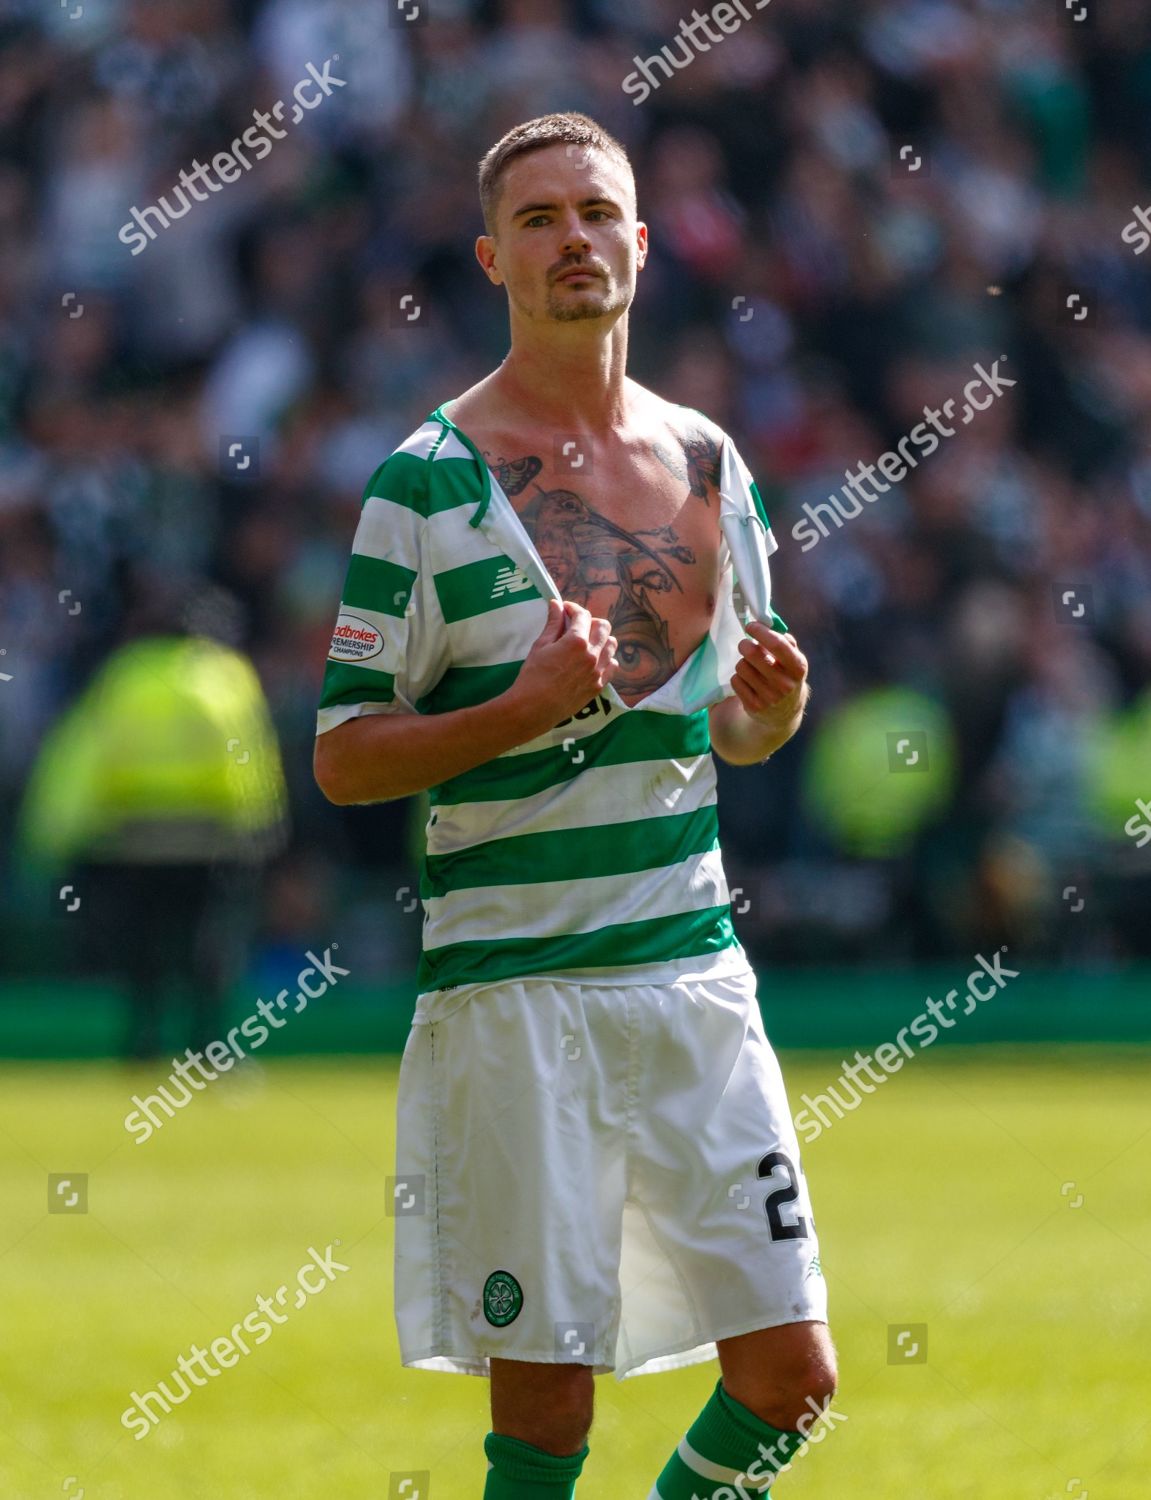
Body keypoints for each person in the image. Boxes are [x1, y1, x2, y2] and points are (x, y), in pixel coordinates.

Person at [314, 112, 836, 1500]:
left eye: (597, 213)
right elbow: (346, 756)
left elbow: (731, 720)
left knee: (792, 1386)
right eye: (538, 220)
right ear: (493, 257)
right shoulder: (421, 482)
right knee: (547, 1423)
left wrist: (769, 717)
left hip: (689, 979)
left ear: (643, 246)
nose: (573, 241)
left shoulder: (712, 464)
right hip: (515, 998)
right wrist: (516, 711)